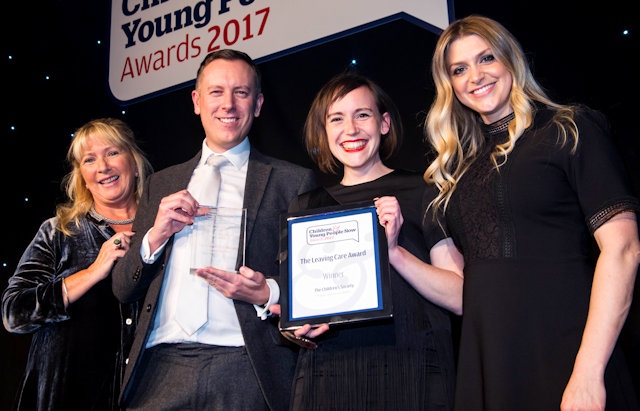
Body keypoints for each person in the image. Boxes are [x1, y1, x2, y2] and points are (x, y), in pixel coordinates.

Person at [423, 15, 640, 410]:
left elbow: (623, 250)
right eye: (459, 69)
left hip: (567, 356)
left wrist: (588, 372)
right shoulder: (459, 170)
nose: (476, 76)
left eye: (486, 58)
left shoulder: (569, 128)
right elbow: (464, 288)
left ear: (511, 59)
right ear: (450, 86)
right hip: (489, 368)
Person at [110, 49, 317, 410]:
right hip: (160, 367)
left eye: (241, 92)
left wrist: (267, 290)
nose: (228, 104)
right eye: (216, 91)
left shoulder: (292, 182)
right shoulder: (161, 184)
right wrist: (154, 237)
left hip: (245, 364)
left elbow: (313, 280)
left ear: (257, 104)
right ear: (196, 101)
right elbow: (123, 287)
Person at [270, 72, 465, 410]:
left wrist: (393, 252)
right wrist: (292, 325)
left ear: (384, 123)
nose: (351, 129)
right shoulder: (305, 207)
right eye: (337, 119)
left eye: (362, 115)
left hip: (414, 371)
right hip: (327, 376)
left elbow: (460, 297)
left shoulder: (423, 191)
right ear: (324, 131)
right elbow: (296, 310)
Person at [2, 117, 153, 410]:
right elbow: (14, 313)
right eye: (89, 159)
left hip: (146, 397)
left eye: (112, 153)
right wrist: (93, 272)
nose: (103, 167)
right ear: (82, 176)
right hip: (67, 399)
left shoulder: (162, 230)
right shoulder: (59, 231)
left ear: (134, 163)